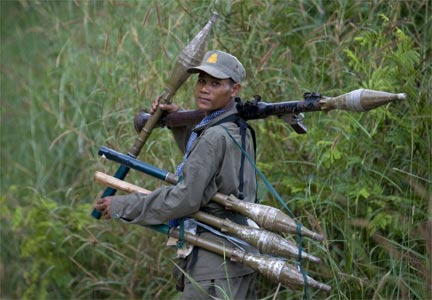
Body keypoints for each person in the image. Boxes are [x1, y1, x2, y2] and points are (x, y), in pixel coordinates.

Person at [95, 50, 257, 299]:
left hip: (214, 263)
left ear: (234, 90)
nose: (205, 89)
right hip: (240, 257)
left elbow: (186, 198)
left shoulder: (214, 136)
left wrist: (122, 205)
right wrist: (178, 119)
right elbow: (207, 166)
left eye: (215, 84)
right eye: (201, 81)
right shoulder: (238, 128)